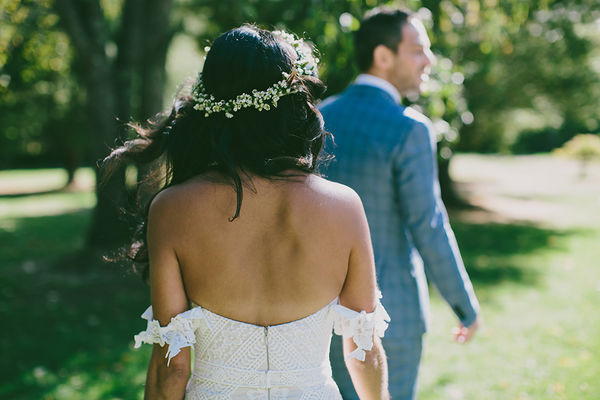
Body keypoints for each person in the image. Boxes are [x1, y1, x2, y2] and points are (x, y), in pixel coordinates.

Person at [104, 25, 391, 399]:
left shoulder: (172, 209)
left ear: (210, 108)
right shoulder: (343, 207)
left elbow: (171, 366)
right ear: (295, 104)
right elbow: (363, 351)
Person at [318, 8, 481, 400]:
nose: (428, 60)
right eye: (418, 50)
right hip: (392, 318)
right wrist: (465, 306)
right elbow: (429, 225)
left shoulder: (318, 119)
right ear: (384, 55)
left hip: (318, 313)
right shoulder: (410, 129)